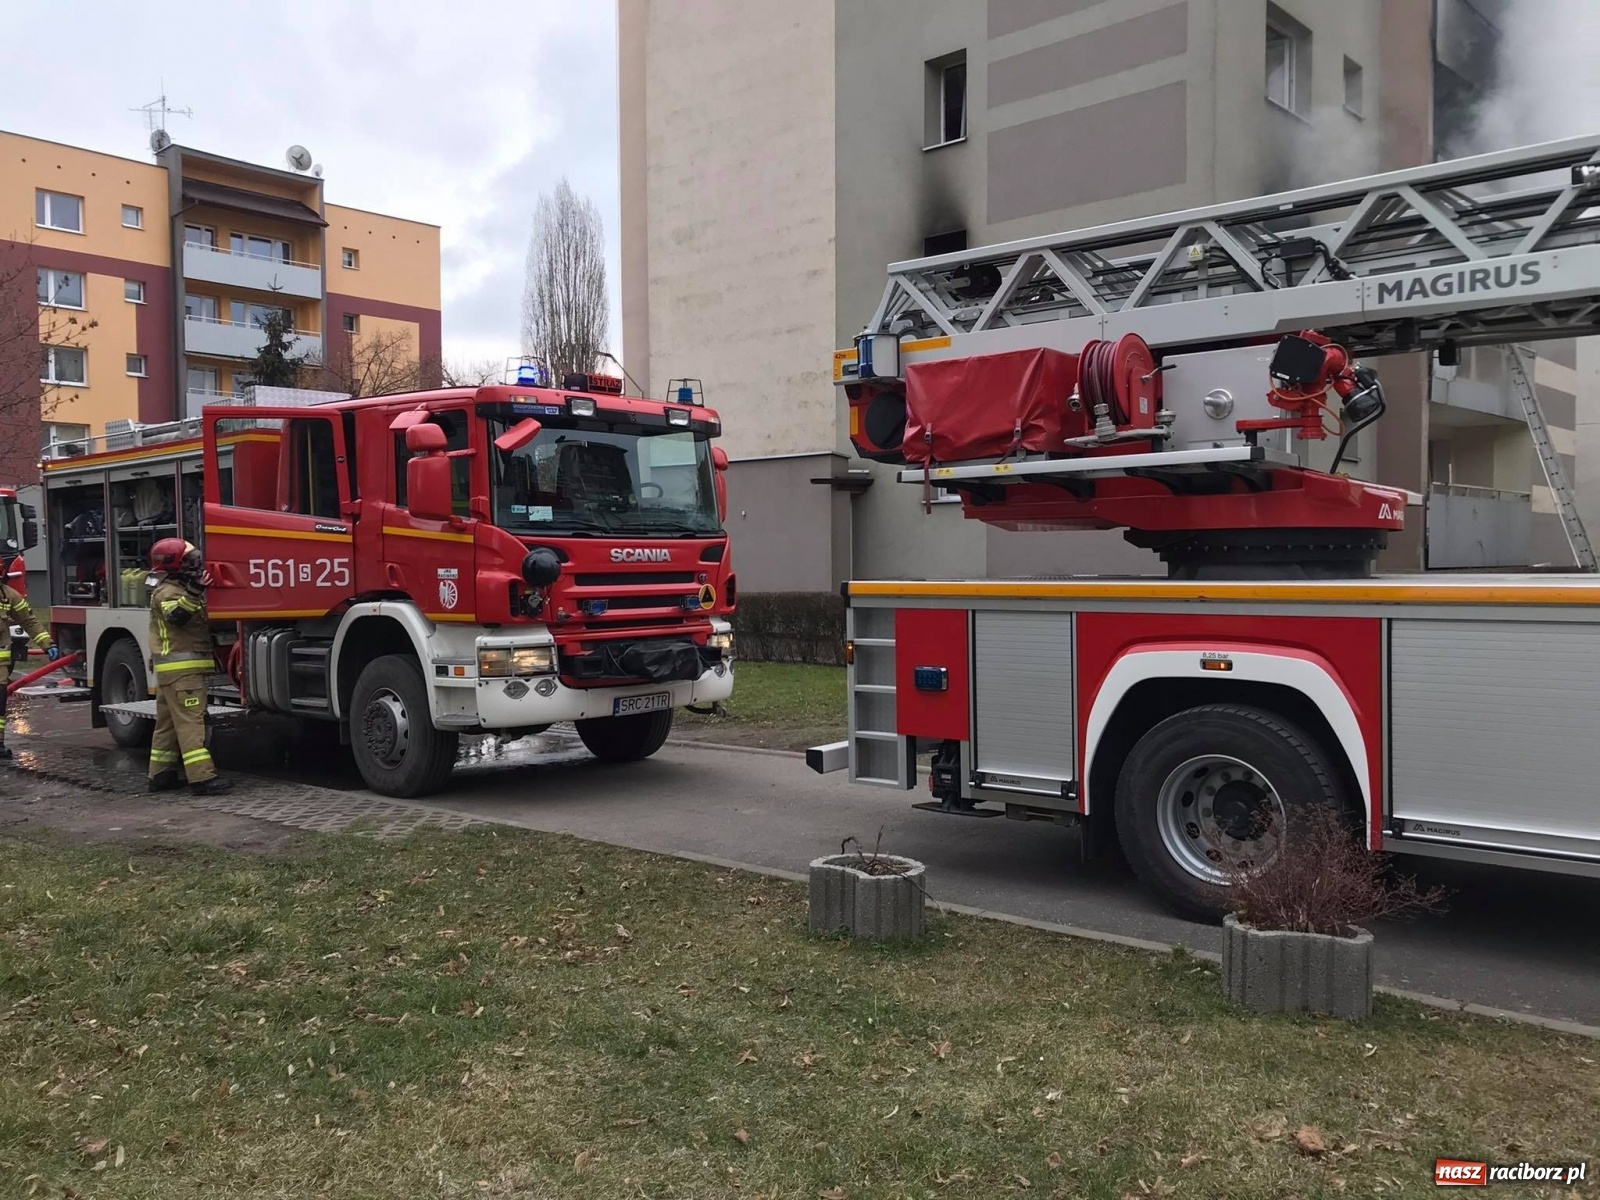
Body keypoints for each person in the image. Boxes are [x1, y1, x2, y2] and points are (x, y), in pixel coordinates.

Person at [146, 539, 230, 795]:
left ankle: (161, 776)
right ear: (176, 565)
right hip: (184, 674)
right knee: (191, 724)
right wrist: (195, 591)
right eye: (191, 561)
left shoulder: (175, 588)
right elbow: (176, 618)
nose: (197, 564)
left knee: (168, 725)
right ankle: (202, 779)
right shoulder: (169, 592)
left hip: (173, 674)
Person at [0, 558, 59, 761]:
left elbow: (29, 620)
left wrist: (47, 644)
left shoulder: (7, 596)